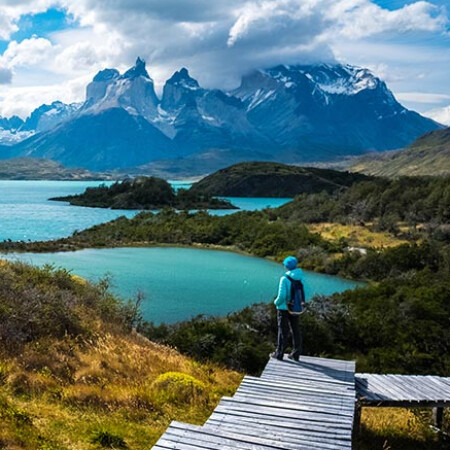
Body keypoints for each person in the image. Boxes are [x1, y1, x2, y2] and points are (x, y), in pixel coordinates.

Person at [271, 256, 304, 361]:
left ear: (286, 266)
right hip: (295, 307)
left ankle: (279, 353)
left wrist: (276, 302)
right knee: (295, 329)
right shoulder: (300, 277)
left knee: (283, 330)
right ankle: (296, 353)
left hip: (283, 308)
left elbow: (282, 295)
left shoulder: (284, 279)